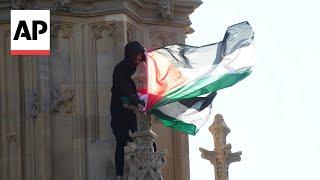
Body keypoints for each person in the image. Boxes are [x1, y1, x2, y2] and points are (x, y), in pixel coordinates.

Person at [110, 41, 146, 180]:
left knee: (145, 137)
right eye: (135, 57)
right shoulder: (122, 68)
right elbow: (124, 87)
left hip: (134, 111)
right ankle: (119, 175)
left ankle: (149, 167)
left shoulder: (140, 68)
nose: (137, 60)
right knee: (120, 141)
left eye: (139, 57)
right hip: (120, 109)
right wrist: (136, 101)